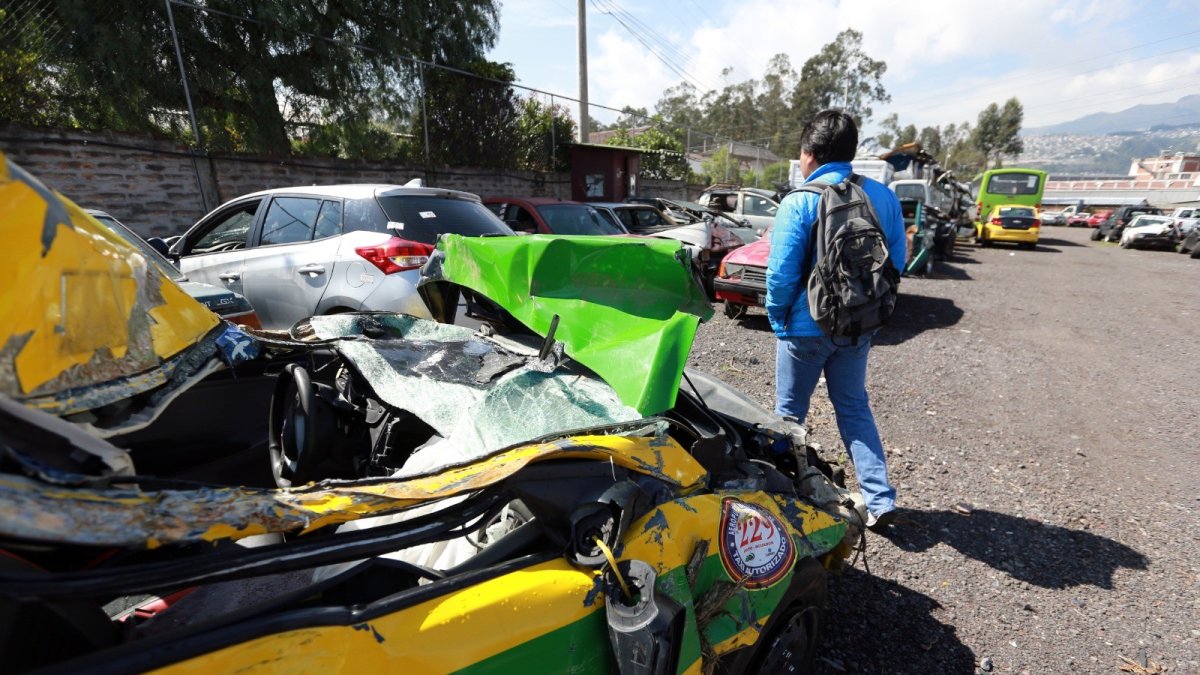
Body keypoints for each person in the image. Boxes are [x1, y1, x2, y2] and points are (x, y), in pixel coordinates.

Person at [765, 109, 907, 532]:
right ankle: (880, 501)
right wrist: (870, 315)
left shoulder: (800, 200)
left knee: (789, 415)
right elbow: (895, 264)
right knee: (853, 407)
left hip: (804, 328)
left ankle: (780, 497)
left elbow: (781, 274)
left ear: (809, 154)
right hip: (857, 326)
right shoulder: (882, 196)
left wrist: (779, 319)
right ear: (852, 152)